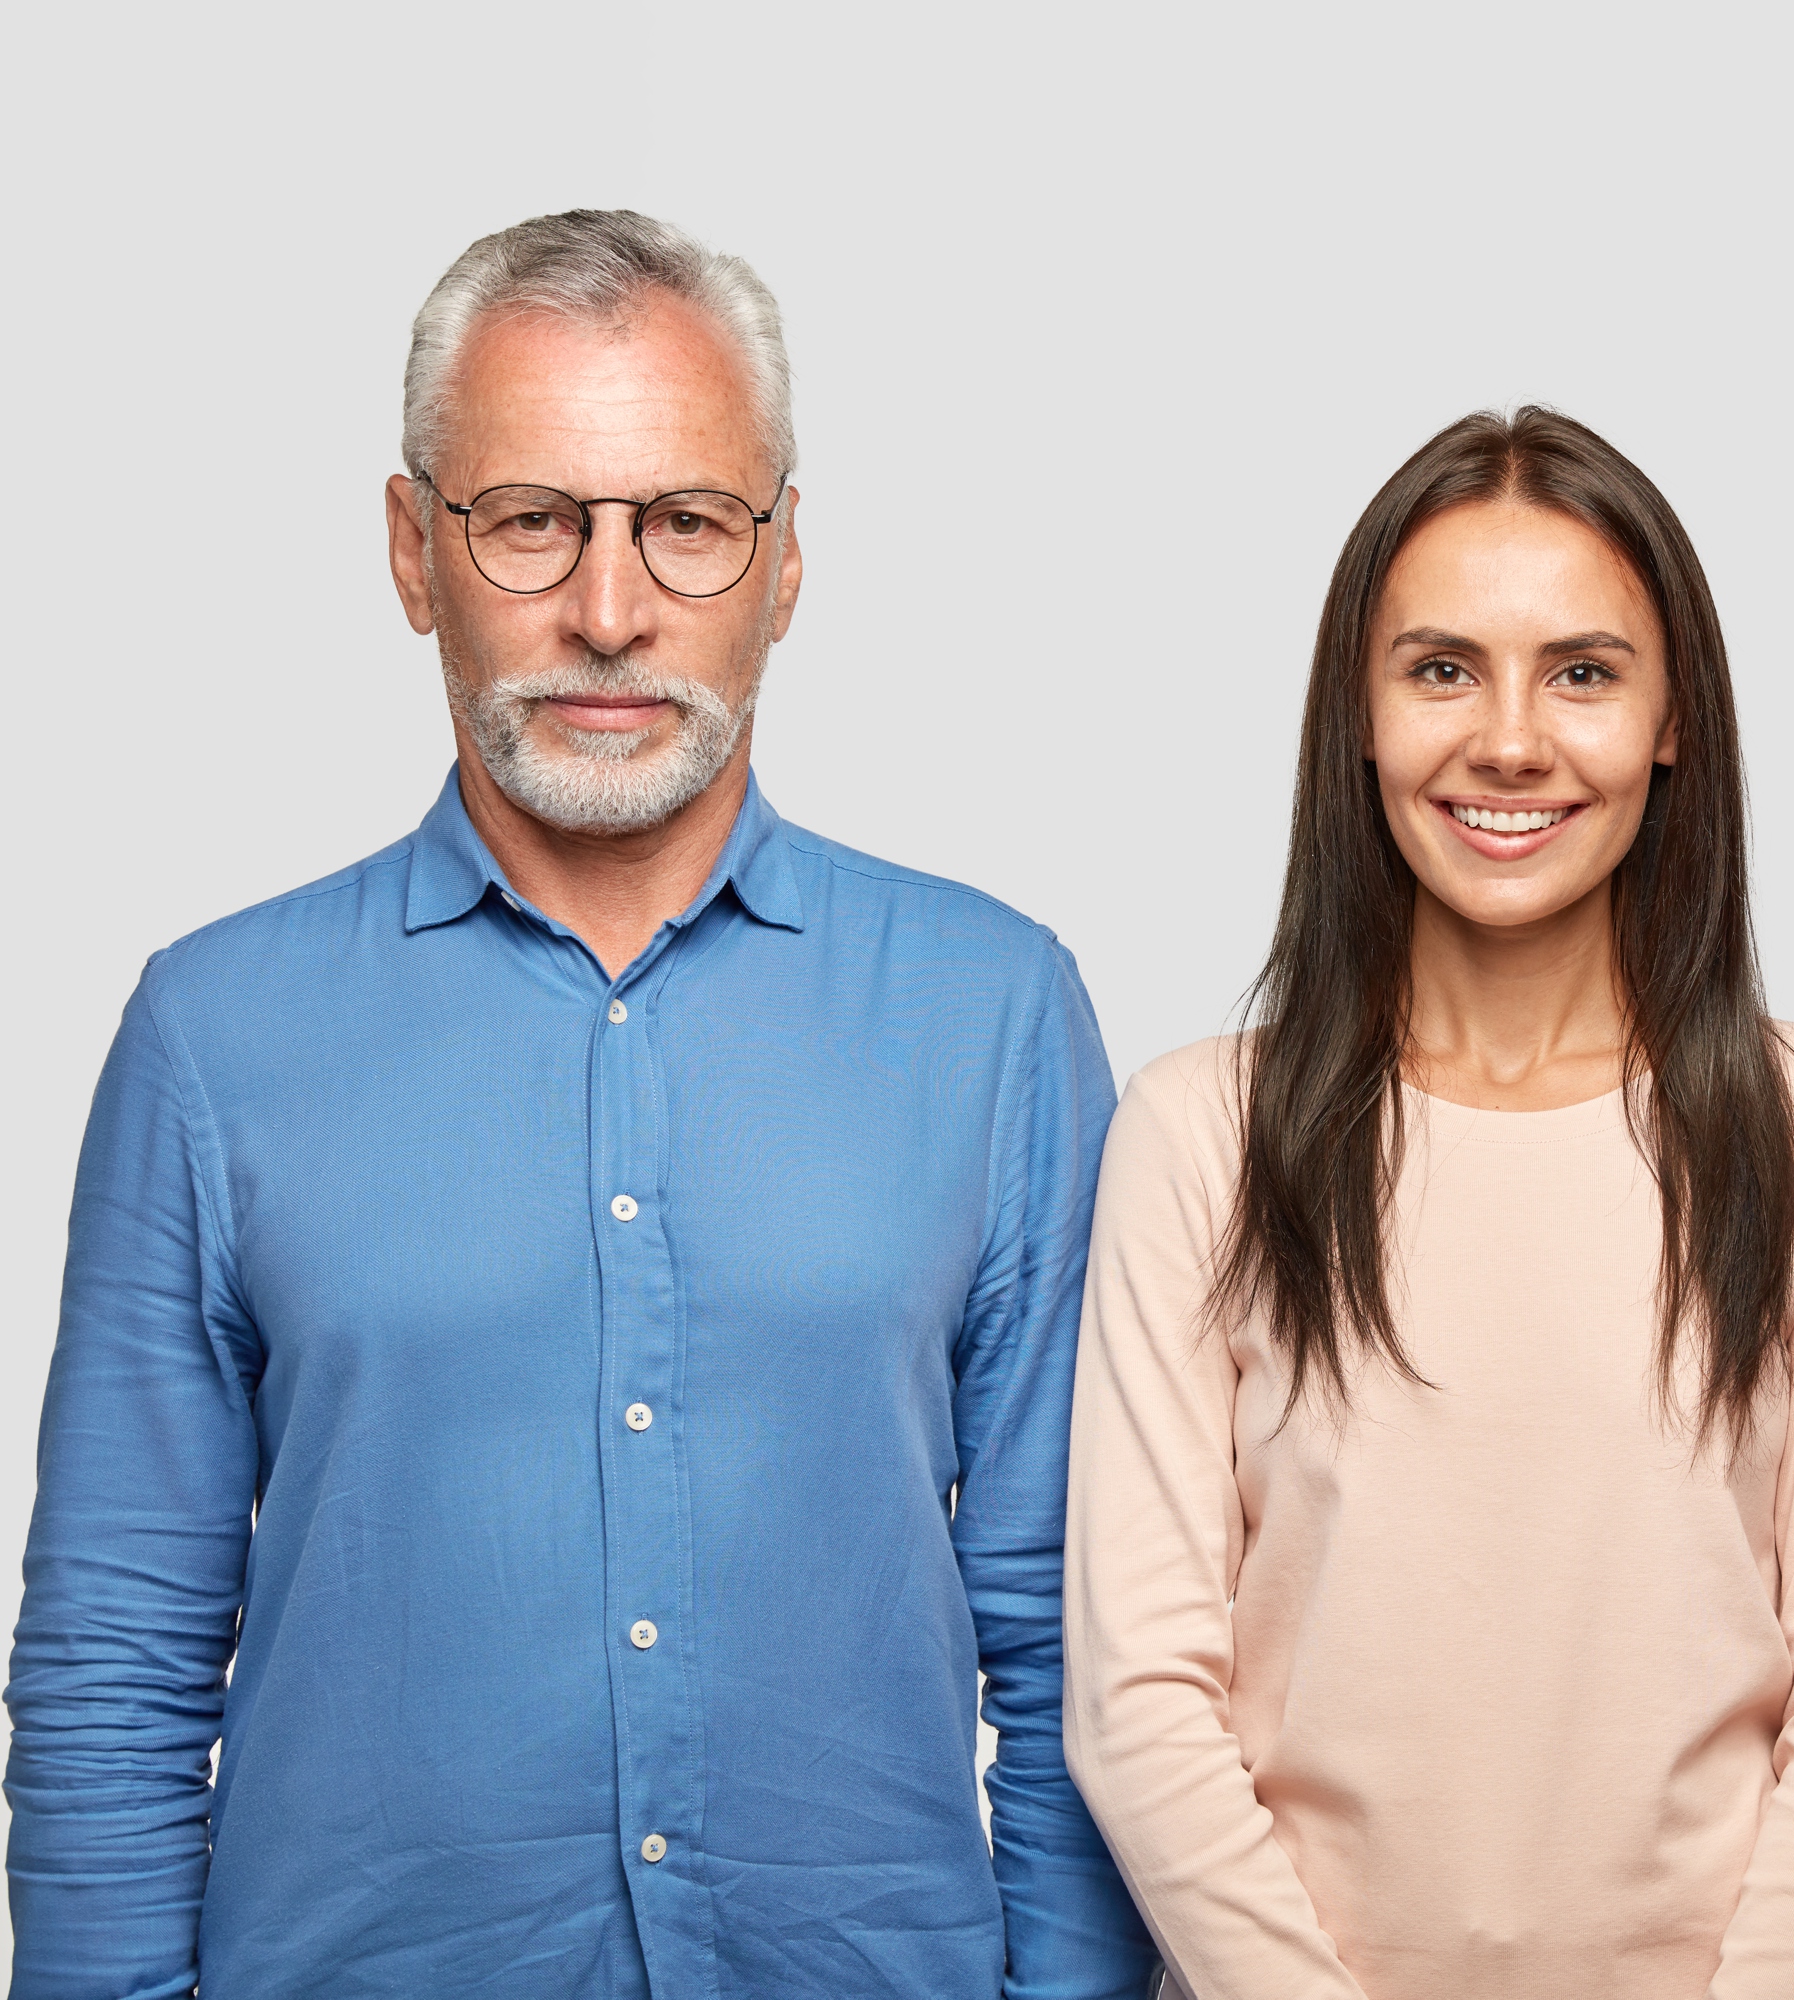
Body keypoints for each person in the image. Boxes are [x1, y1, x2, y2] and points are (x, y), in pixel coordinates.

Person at [6, 211, 1155, 1999]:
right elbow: (117, 1656)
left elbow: (1080, 1638)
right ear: (412, 552)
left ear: (785, 563)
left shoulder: (994, 1011)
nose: (609, 613)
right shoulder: (211, 1031)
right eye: (531, 520)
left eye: (685, 525)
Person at [1062, 408, 1794, 2000]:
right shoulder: (1202, 1134)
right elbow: (1140, 1697)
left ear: (1675, 719)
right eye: (1443, 668)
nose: (1513, 742)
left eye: (1585, 672)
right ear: (1363, 713)